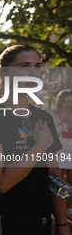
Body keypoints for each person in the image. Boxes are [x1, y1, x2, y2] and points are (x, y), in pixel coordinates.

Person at [0, 45, 70, 235]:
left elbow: (55, 177)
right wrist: (40, 146)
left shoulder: (44, 117)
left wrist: (63, 228)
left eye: (37, 66)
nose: (33, 72)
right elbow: (1, 183)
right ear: (4, 73)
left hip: (39, 223)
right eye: (24, 66)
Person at [51, 90, 72, 218]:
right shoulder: (53, 115)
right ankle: (56, 209)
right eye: (65, 101)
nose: (68, 104)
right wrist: (63, 122)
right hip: (58, 148)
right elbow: (51, 133)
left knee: (70, 180)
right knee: (58, 180)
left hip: (71, 148)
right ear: (60, 102)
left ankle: (68, 208)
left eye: (71, 101)